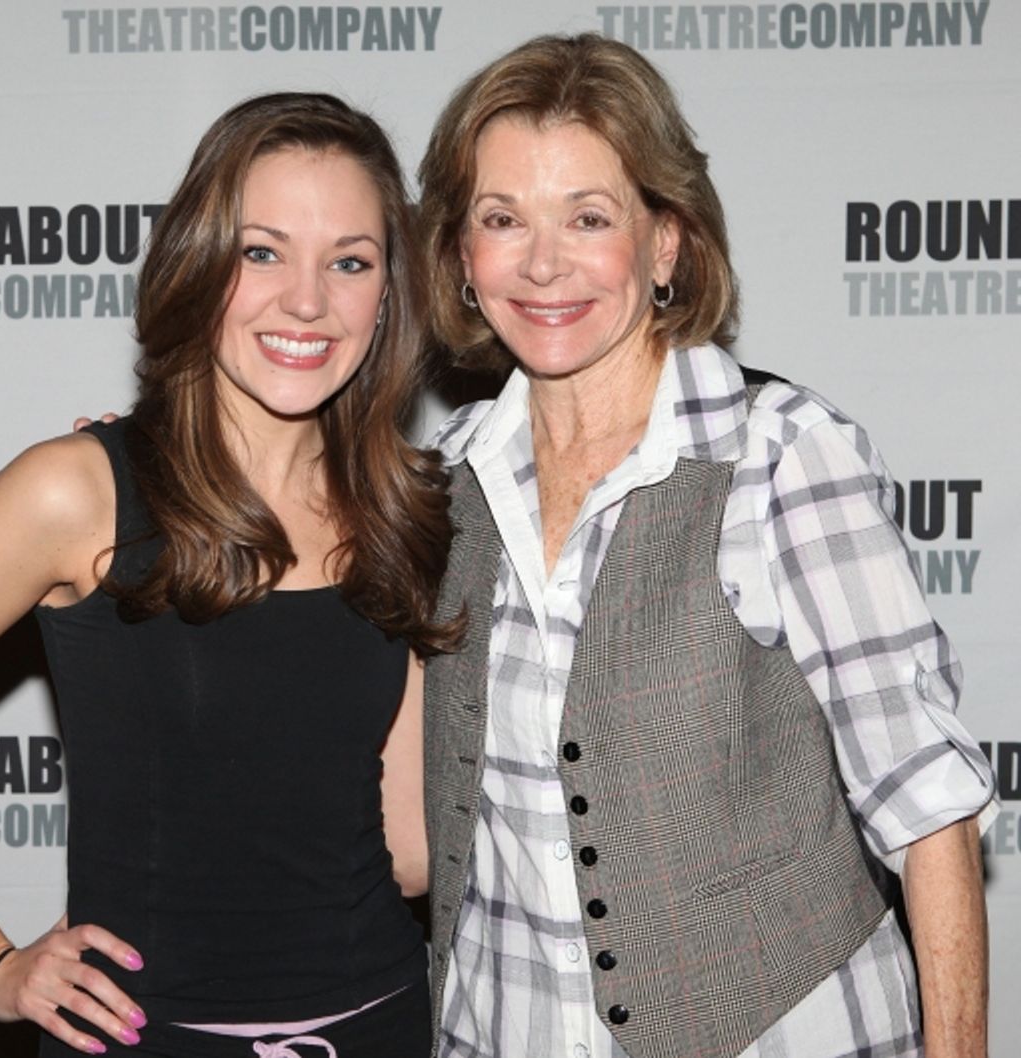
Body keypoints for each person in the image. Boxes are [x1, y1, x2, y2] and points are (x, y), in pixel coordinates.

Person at [0, 92, 458, 1058]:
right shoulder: (78, 492)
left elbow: (408, 849)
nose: (307, 300)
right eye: (262, 251)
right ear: (201, 263)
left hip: (383, 1026)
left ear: (389, 293)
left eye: (351, 262)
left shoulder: (403, 510)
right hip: (150, 1040)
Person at [416, 33, 995, 1058]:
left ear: (667, 241)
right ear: (462, 254)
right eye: (503, 219)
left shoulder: (780, 455)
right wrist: (141, 473)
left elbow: (930, 814)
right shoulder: (441, 485)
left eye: (588, 217)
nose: (543, 262)